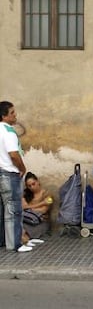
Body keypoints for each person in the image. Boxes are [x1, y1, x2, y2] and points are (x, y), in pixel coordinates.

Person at [0, 100, 31, 252]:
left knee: (2, 210)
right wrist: (22, 168)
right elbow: (14, 154)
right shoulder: (8, 131)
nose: (15, 115)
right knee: (13, 210)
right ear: (4, 116)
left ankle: (3, 241)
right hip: (9, 173)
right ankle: (15, 244)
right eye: (12, 113)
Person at [22, 172, 53, 243]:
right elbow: (23, 207)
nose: (32, 187)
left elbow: (44, 210)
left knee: (25, 233)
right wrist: (42, 203)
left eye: (33, 184)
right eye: (29, 186)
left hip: (41, 222)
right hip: (27, 220)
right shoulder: (26, 194)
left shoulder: (47, 193)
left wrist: (28, 209)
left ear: (37, 181)